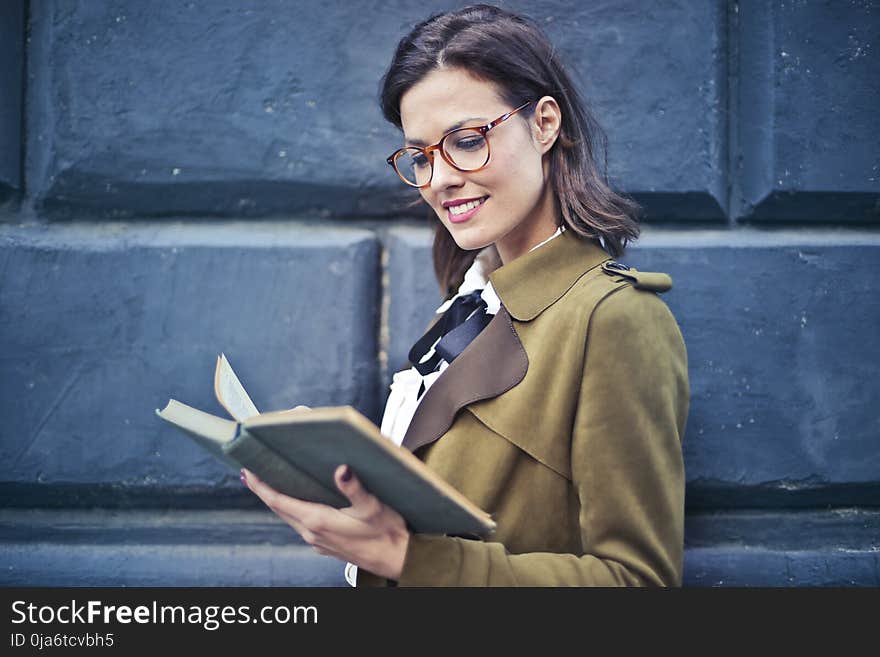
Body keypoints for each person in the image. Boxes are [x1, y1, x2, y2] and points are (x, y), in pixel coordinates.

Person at [241, 4, 688, 587]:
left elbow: (638, 583)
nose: (440, 178)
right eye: (421, 155)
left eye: (467, 141)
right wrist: (348, 478)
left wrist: (410, 559)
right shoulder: (468, 304)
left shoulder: (614, 318)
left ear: (544, 124)